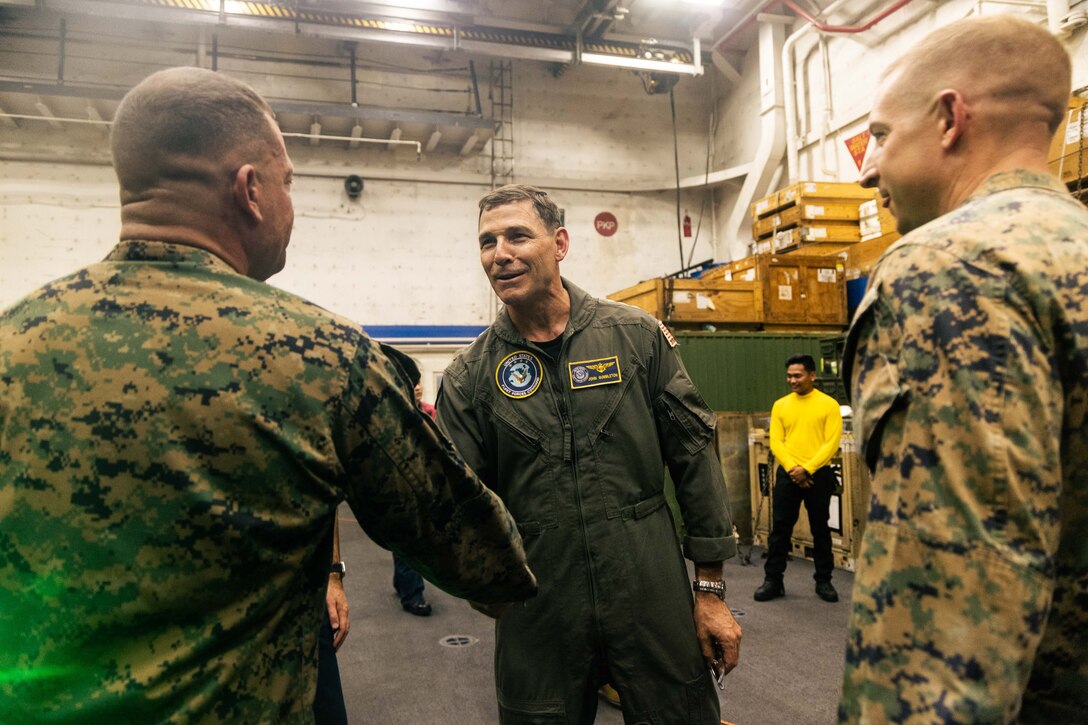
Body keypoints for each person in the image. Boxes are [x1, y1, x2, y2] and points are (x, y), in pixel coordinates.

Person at [0, 67, 537, 723]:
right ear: (249, 189)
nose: (291, 204)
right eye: (289, 183)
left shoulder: (14, 341)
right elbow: (484, 558)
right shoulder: (322, 357)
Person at [842, 14, 1088, 723]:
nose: (867, 170)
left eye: (880, 136)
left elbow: (947, 607)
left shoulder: (950, 268)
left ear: (950, 118)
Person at [437, 184, 741, 724]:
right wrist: (493, 594)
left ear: (559, 243)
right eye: (487, 242)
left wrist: (710, 589)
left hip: (649, 587)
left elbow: (693, 457)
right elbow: (458, 503)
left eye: (517, 236)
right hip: (540, 603)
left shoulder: (636, 338)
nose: (499, 253)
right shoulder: (471, 375)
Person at [754, 354, 842, 603]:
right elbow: (776, 442)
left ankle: (824, 581)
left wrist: (808, 469)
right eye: (789, 376)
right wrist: (794, 469)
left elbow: (831, 443)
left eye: (797, 375)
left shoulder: (828, 405)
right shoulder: (781, 405)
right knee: (780, 529)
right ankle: (773, 581)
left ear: (812, 376)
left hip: (818, 474)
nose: (792, 380)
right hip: (789, 473)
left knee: (820, 529)